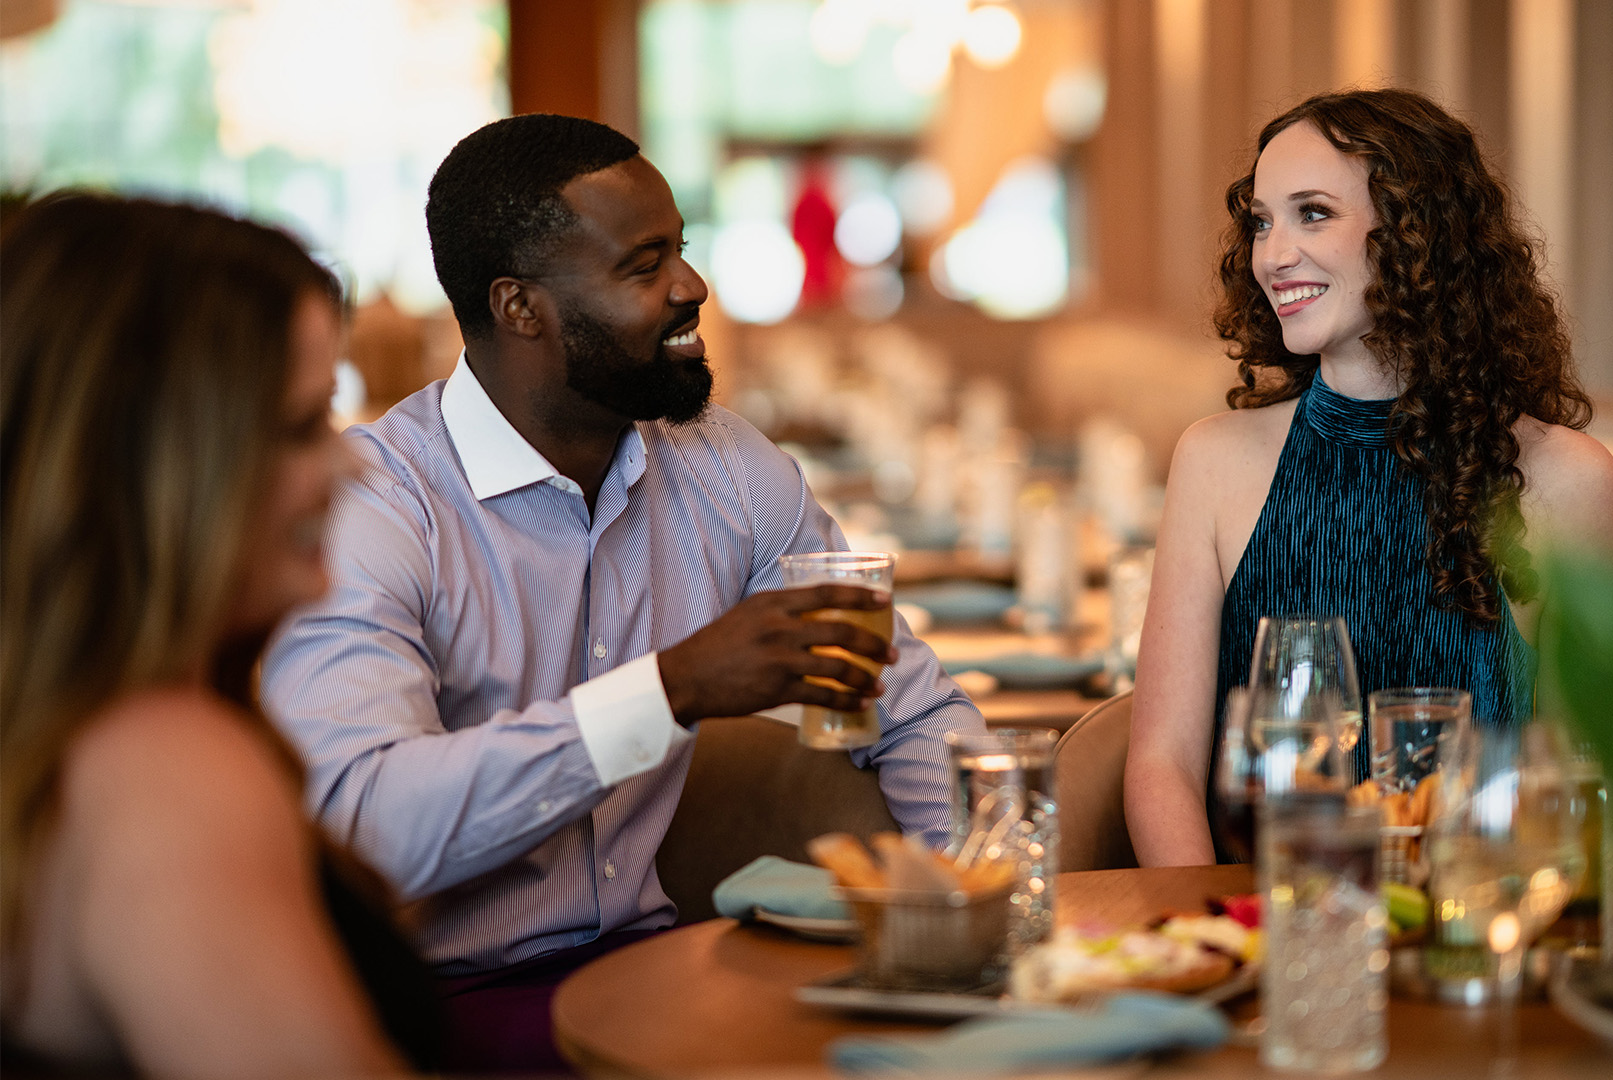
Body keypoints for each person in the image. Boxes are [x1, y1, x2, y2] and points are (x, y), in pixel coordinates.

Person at [259, 114, 985, 1071]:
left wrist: (987, 929)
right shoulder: (380, 508)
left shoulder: (723, 464)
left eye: (681, 250)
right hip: (445, 1011)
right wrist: (667, 692)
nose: (693, 287)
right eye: (645, 267)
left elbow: (913, 713)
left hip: (666, 970)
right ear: (521, 308)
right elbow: (365, 826)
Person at [1124, 88, 1613, 867]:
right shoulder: (1213, 460)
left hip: (1479, 933)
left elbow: (1591, 785)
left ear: (1416, 232)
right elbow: (1161, 769)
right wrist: (1232, 938)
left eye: (1313, 213)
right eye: (1262, 221)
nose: (1272, 254)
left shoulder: (1568, 479)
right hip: (1268, 937)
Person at [0, 194, 436, 1075]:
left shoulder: (74, 733)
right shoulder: (166, 768)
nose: (350, 459)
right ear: (153, 462)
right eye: (301, 424)